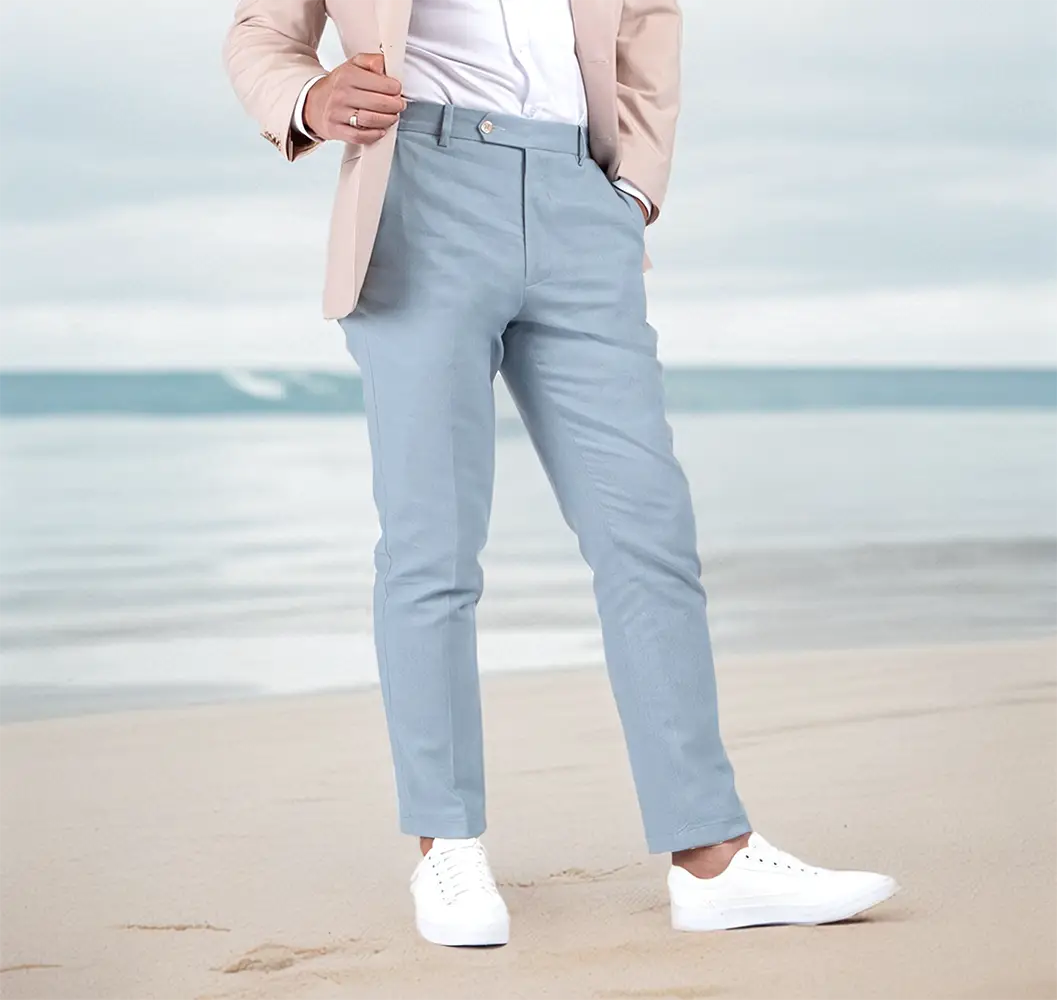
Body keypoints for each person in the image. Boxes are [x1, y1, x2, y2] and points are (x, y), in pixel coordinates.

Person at [224, 0, 898, 948]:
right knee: (432, 547)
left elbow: (647, 27)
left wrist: (632, 191)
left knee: (648, 534)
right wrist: (307, 95)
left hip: (581, 197)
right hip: (420, 183)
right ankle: (445, 844)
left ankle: (712, 856)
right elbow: (263, 29)